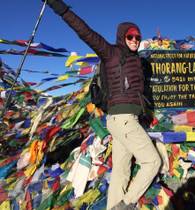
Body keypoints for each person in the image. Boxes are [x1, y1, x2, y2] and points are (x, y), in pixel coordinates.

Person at [44, 1, 161, 209]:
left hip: (122, 121)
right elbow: (84, 31)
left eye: (138, 37)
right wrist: (59, 6)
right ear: (122, 37)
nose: (135, 40)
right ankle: (126, 203)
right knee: (152, 162)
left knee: (121, 171)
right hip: (123, 120)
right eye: (130, 36)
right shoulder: (111, 53)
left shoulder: (136, 60)